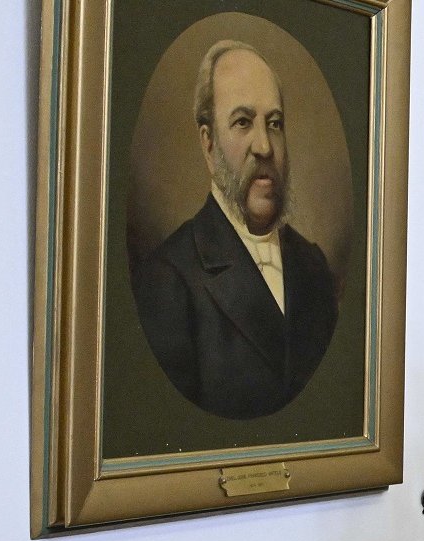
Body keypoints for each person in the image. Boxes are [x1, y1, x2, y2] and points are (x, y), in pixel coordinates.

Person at [131, 40, 338, 420]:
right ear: (208, 144)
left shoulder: (313, 266)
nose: (264, 146)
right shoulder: (168, 280)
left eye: (274, 124)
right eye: (243, 122)